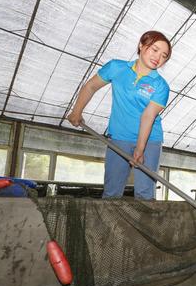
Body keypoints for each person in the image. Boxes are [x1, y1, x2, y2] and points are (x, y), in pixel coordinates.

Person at [67, 31, 171, 200]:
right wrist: (77, 111)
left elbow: (148, 116)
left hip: (150, 140)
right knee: (111, 192)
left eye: (164, 55)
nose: (158, 57)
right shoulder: (116, 67)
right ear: (141, 45)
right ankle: (110, 227)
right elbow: (91, 86)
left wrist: (140, 148)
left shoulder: (161, 86)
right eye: (154, 49)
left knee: (145, 195)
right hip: (119, 138)